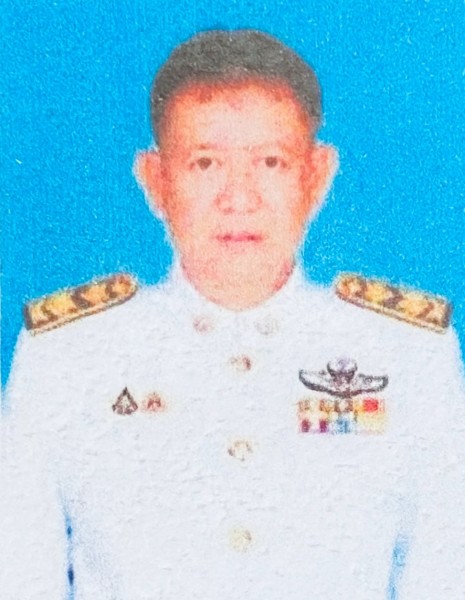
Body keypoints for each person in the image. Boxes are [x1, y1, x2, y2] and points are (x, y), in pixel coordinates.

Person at [1, 29, 465, 600]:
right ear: (155, 180)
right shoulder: (65, 357)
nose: (239, 198)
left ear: (316, 176)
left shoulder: (411, 354)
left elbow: (445, 578)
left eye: (271, 162)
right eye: (205, 164)